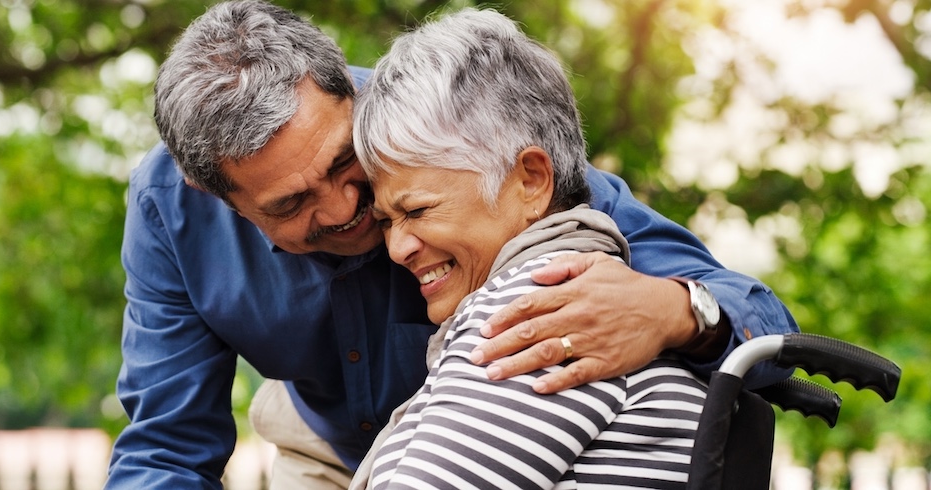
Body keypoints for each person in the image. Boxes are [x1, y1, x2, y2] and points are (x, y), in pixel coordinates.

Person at [107, 1, 797, 488]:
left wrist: (678, 311)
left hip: (492, 433)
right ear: (219, 197)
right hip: (324, 446)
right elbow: (168, 447)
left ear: (347, 90)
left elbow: (763, 320)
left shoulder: (446, 135)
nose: (349, 208)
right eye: (292, 204)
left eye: (348, 165)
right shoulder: (170, 209)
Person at [350, 9, 708, 488]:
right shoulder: (586, 286)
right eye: (386, 221)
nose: (397, 248)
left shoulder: (541, 305)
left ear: (531, 181)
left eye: (416, 211)